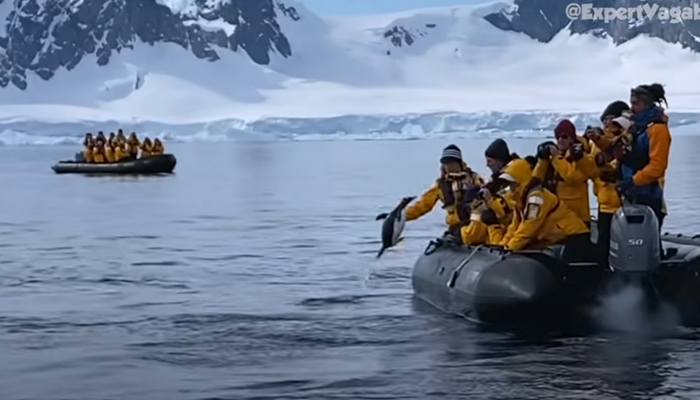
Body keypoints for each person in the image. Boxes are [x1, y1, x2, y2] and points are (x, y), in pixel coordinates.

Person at [487, 158, 591, 260]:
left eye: (511, 182)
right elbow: (514, 227)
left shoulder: (536, 198)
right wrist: (502, 247)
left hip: (572, 237)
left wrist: (509, 249)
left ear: (520, 179)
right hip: (554, 239)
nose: (510, 186)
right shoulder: (520, 199)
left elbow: (528, 229)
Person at [579, 101, 632, 260]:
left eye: (610, 118)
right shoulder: (597, 141)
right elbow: (591, 169)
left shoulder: (626, 139)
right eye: (604, 119)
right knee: (604, 243)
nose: (607, 123)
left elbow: (623, 166)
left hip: (624, 201)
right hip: (604, 202)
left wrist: (607, 170)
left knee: (625, 243)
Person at [617, 83, 671, 230]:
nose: (632, 108)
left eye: (635, 104)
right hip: (633, 195)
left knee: (648, 242)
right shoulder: (637, 129)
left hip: (649, 196)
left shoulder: (657, 129)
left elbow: (657, 166)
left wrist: (633, 181)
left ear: (646, 105)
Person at [403, 144, 484, 234]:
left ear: (459, 163)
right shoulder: (441, 185)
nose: (448, 166)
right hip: (455, 229)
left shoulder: (475, 179)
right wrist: (403, 216)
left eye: (451, 162)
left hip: (475, 227)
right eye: (445, 163)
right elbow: (423, 205)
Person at [533, 119, 593, 224]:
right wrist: (542, 161)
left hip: (577, 215)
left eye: (564, 137)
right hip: (557, 213)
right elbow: (536, 180)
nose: (560, 140)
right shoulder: (556, 156)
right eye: (558, 137)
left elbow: (573, 177)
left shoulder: (580, 156)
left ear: (572, 138)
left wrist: (556, 158)